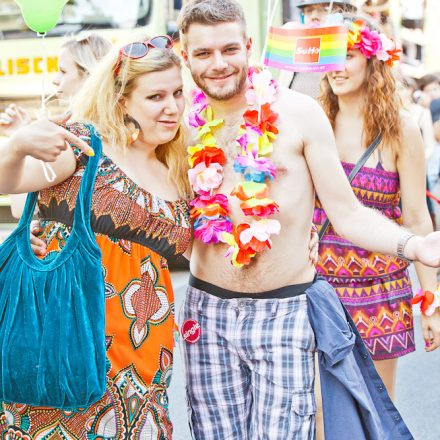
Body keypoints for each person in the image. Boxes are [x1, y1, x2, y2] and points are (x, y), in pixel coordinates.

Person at [176, 0, 440, 438]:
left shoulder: (299, 114)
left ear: (248, 46)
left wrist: (413, 246)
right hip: (208, 313)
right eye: (203, 53)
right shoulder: (177, 124)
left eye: (229, 49)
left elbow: (347, 212)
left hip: (285, 311)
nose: (218, 64)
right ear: (185, 57)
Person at [0, 35, 192, 439]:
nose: (172, 107)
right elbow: (11, 180)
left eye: (177, 92)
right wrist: (16, 146)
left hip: (144, 361)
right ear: (123, 100)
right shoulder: (85, 146)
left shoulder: (180, 168)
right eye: (156, 96)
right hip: (66, 342)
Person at [315, 16, 439, 400]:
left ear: (372, 60)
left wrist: (430, 302)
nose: (337, 67)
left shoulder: (401, 129)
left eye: (348, 55)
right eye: (331, 57)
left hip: (381, 293)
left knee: (374, 405)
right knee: (319, 407)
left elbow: (417, 217)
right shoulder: (314, 120)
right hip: (320, 290)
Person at [0, 33, 111, 219]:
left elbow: (20, 208)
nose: (55, 79)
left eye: (63, 71)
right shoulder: (123, 129)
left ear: (89, 75)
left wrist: (19, 142)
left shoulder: (70, 138)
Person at [278, 0, 357, 98]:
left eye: (324, 9)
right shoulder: (294, 52)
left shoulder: (352, 53)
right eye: (309, 11)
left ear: (342, 13)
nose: (314, 16)